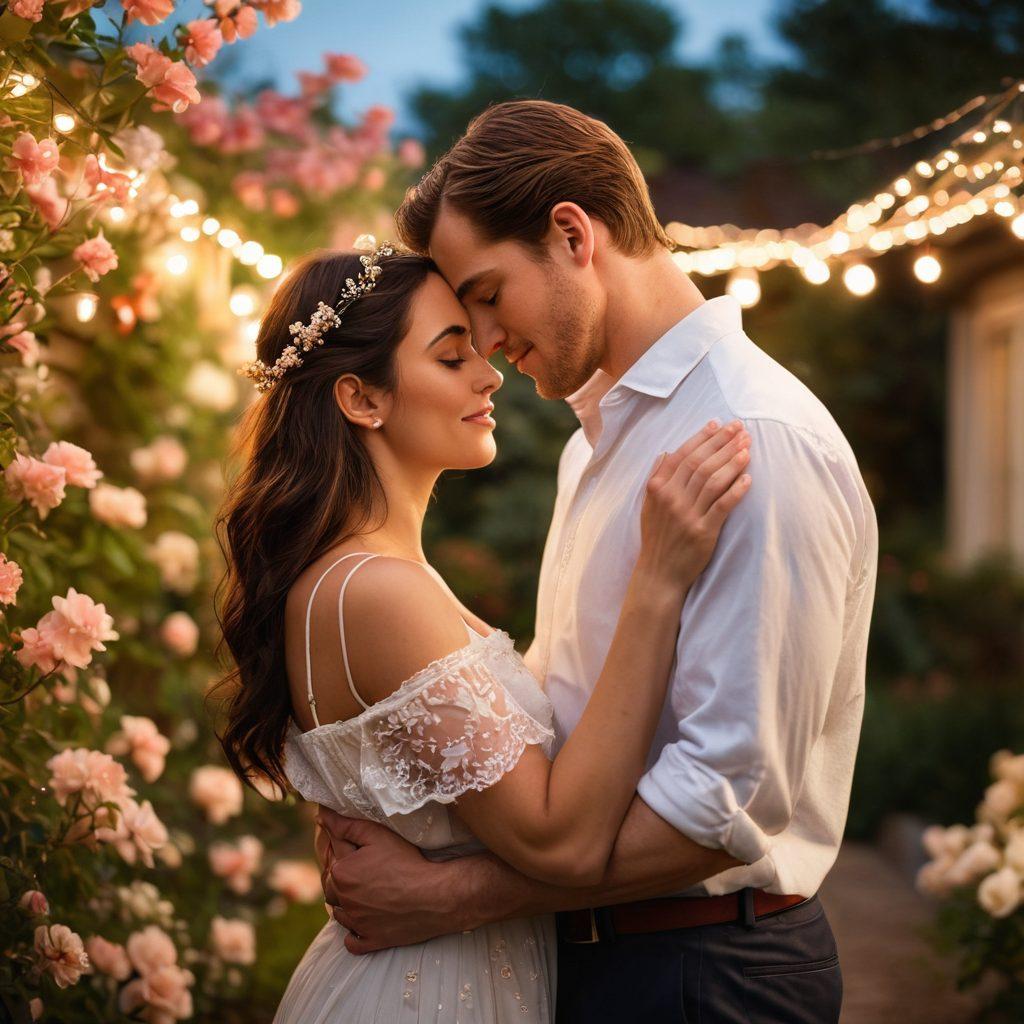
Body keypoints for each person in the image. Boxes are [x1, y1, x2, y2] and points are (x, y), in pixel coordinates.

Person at [316, 100, 879, 1024]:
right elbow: (564, 710)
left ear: (573, 235)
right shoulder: (598, 442)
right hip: (593, 958)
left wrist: (450, 898)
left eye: (489, 297)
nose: (487, 344)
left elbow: (722, 800)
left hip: (705, 975)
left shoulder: (753, 441)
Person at [214, 240, 753, 1023]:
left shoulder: (385, 577)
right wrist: (658, 582)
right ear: (363, 399)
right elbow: (558, 841)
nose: (490, 373)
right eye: (450, 355)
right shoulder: (376, 591)